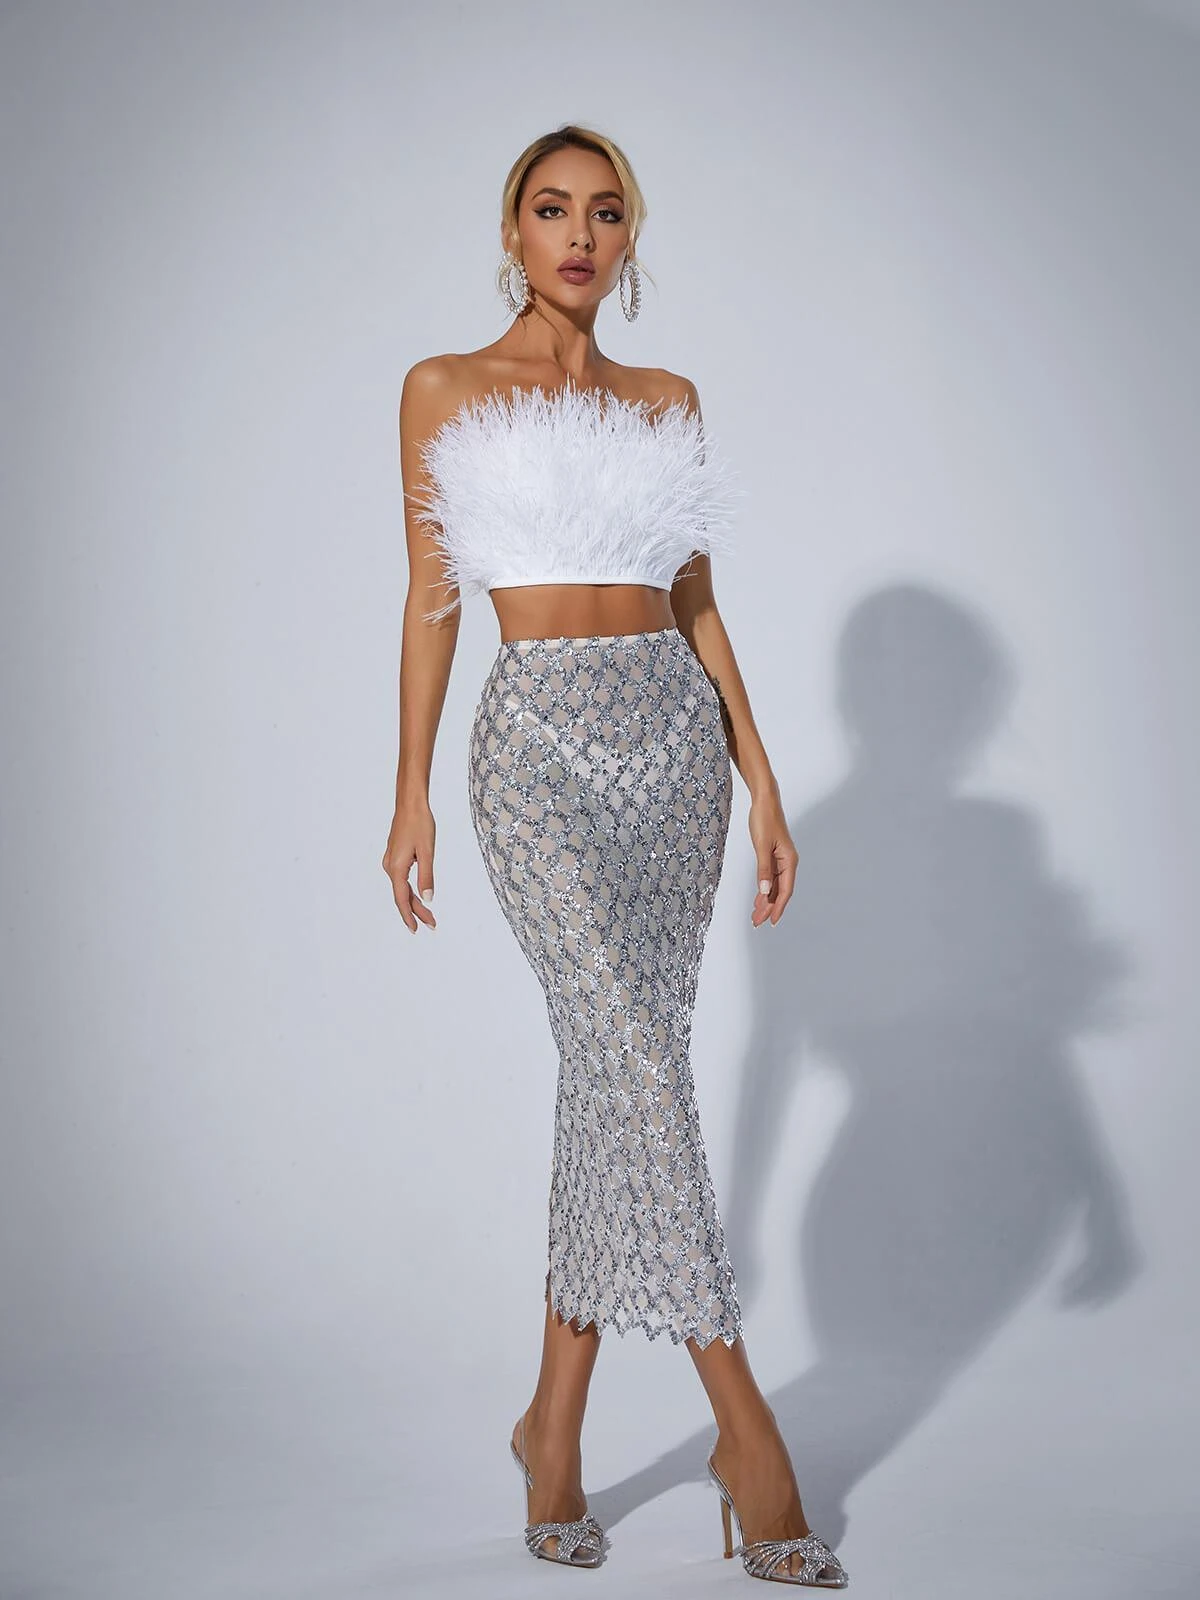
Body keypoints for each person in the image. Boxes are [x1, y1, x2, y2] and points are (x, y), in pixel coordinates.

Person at [382, 124, 848, 1588]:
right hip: (534, 748)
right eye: (551, 209)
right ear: (510, 232)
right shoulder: (445, 389)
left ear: (629, 239)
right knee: (636, 1066)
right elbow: (433, 600)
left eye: (604, 213)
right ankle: (746, 1431)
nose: (578, 235)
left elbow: (699, 600)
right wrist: (409, 792)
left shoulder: (666, 401)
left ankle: (554, 1432)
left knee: (617, 1077)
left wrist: (761, 776)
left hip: (672, 754)